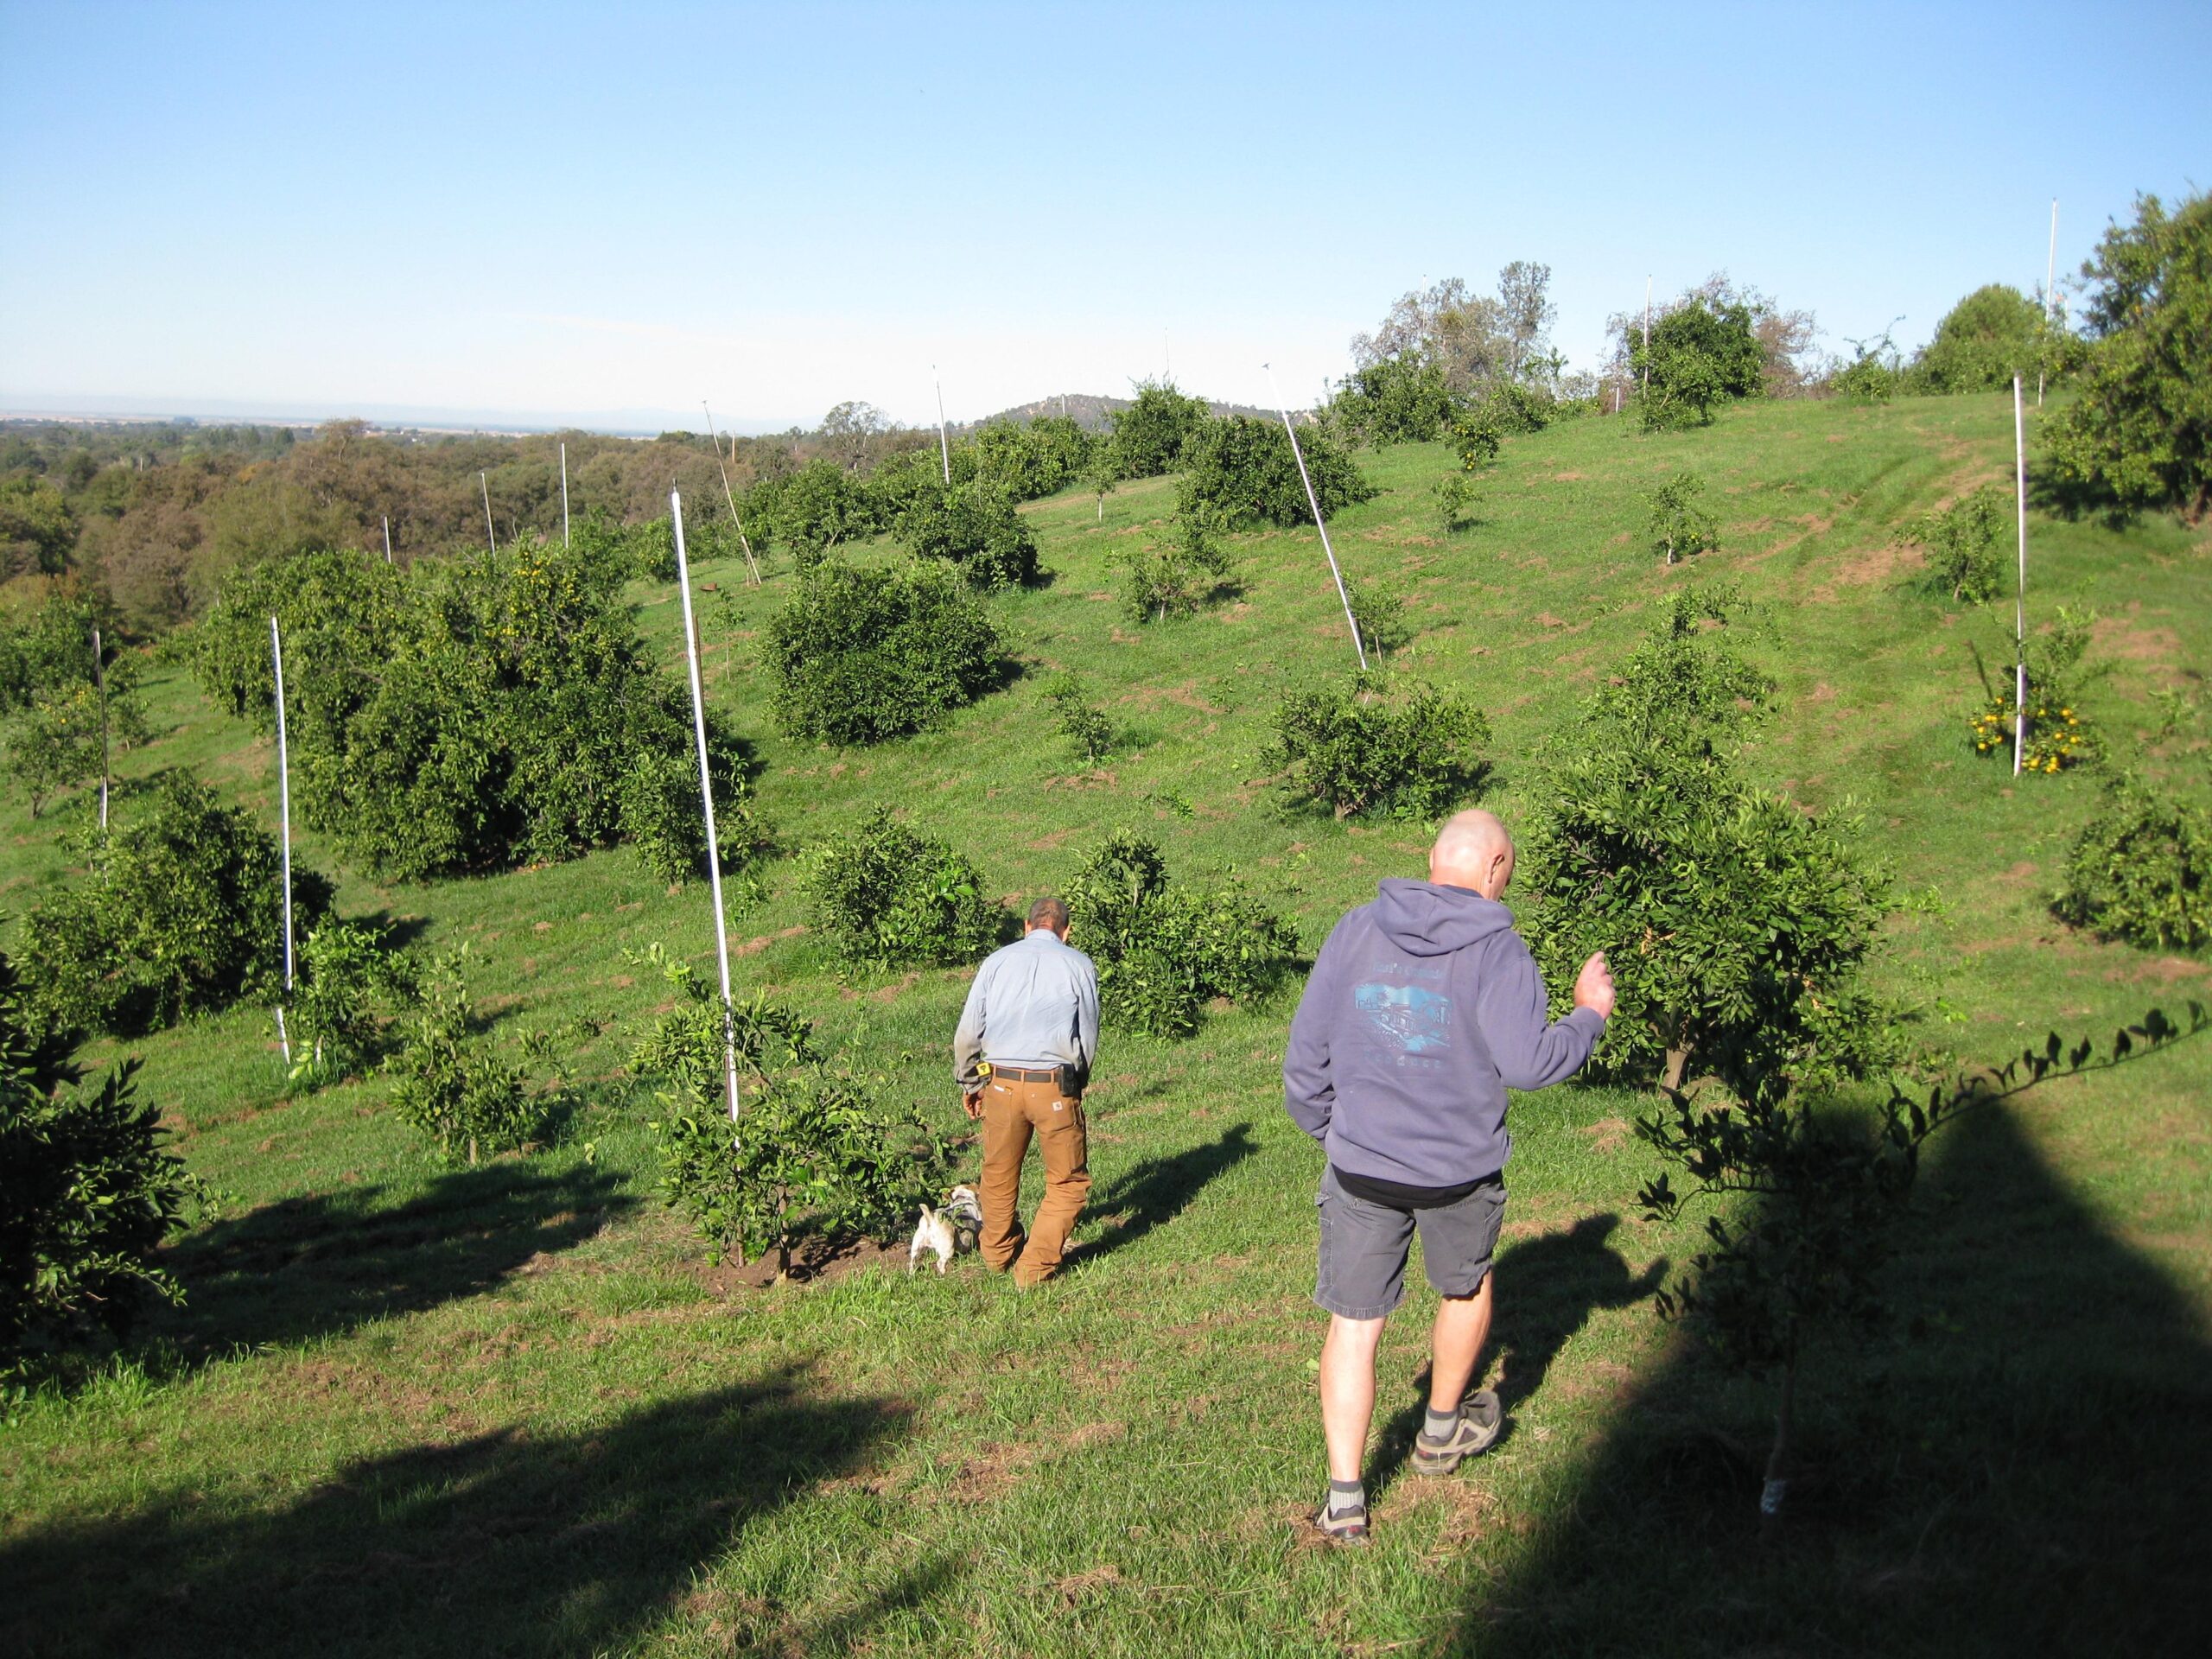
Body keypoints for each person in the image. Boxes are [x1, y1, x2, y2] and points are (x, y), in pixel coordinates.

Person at [1282, 808, 1616, 1544]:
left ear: (1432, 857)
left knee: (1354, 1326)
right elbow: (1531, 1064)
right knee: (1465, 1284)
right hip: (1458, 1176)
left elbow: (1305, 1062)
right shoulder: (1500, 951)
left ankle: (1344, 1503)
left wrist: (1337, 1137)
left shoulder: (1356, 930)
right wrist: (1588, 1015)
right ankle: (1439, 1433)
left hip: (1362, 1169)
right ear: (1497, 871)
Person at [952, 895, 1101, 1288]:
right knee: (1068, 1183)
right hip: (1053, 1086)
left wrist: (972, 1083)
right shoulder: (1080, 965)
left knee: (998, 1175)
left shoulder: (995, 962)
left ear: (1026, 926)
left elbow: (967, 1034)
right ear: (1066, 931)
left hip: (999, 1084)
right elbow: (1087, 1036)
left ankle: (998, 1254)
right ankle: (1033, 1269)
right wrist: (1076, 1083)